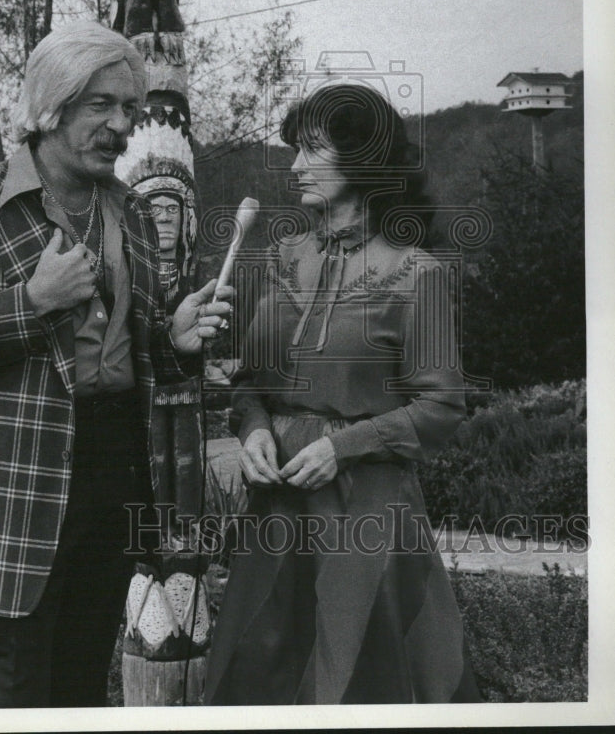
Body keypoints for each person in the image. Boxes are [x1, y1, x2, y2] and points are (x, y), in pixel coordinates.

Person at [0, 21, 231, 708]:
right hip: (14, 490)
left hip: (112, 477)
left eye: (131, 110)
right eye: (100, 105)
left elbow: (137, 355)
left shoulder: (133, 211)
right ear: (51, 105)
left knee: (82, 690)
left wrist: (176, 341)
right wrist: (31, 302)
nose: (120, 125)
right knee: (12, 693)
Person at [204, 82, 479, 705]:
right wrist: (250, 429)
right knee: (260, 679)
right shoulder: (278, 260)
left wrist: (344, 446)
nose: (296, 166)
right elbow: (251, 383)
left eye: (312, 150)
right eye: (295, 149)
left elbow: (442, 408)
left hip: (366, 517)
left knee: (354, 685)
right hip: (276, 513)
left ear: (364, 160)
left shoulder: (417, 274)